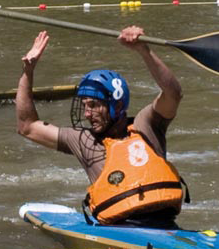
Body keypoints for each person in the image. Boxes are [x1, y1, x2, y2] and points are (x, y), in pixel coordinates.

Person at [15, 27, 186, 227]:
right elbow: (27, 126)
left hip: (165, 224)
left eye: (94, 105)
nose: (87, 114)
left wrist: (143, 50)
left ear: (118, 105)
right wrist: (28, 71)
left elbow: (173, 94)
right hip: (119, 229)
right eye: (85, 106)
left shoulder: (147, 126)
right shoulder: (83, 141)